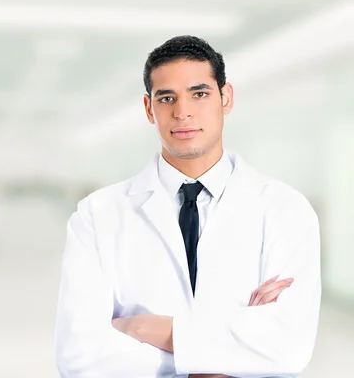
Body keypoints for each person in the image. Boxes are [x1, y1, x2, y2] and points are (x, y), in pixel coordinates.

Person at [54, 35, 321, 378]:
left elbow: (287, 348)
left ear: (226, 98)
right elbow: (78, 357)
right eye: (167, 98)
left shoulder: (285, 210)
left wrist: (145, 329)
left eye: (199, 94)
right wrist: (226, 356)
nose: (183, 112)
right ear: (150, 109)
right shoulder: (97, 215)